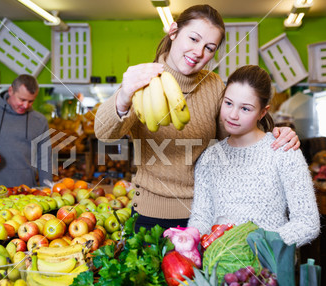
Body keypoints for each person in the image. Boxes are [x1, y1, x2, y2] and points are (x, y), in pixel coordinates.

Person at [94, 4, 300, 231]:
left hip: (206, 213)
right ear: (173, 32)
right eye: (193, 39)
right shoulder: (144, 80)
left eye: (209, 48)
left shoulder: (213, 85)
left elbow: (234, 140)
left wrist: (273, 137)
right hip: (149, 216)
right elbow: (104, 134)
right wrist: (124, 95)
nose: (199, 52)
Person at [188, 65, 320, 247]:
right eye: (228, 103)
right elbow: (201, 218)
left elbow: (307, 223)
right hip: (218, 269)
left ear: (262, 112)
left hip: (269, 271)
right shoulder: (209, 157)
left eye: (245, 109)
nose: (233, 115)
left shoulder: (283, 150)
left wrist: (256, 248)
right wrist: (189, 240)